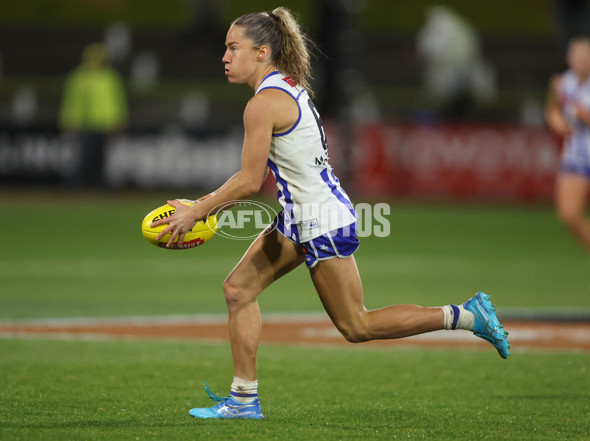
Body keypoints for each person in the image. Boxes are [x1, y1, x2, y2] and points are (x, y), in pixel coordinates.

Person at [152, 7, 510, 420]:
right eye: (226, 48)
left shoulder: (264, 103)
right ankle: (244, 400)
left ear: (263, 51)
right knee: (238, 291)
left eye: (234, 47)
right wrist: (201, 207)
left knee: (357, 326)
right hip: (300, 214)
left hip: (320, 219)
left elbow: (250, 181)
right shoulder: (283, 88)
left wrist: (195, 210)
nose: (225, 56)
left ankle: (466, 316)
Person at [546, 36, 590, 295]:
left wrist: (587, 117)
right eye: (576, 56)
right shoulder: (561, 84)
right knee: (569, 213)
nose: (581, 61)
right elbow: (552, 110)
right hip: (576, 159)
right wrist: (557, 121)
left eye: (586, 56)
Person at [60, 43, 127, 190]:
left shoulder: (109, 77)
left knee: (102, 159)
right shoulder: (81, 77)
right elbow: (73, 102)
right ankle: (77, 185)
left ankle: (99, 186)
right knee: (84, 158)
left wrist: (118, 121)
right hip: (86, 124)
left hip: (105, 124)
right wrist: (70, 121)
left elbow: (117, 101)